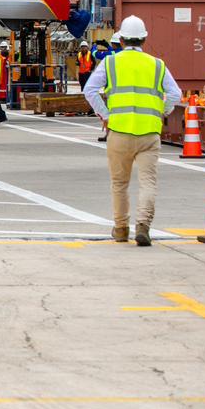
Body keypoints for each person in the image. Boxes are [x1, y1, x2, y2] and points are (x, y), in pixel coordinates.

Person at [82, 15, 182, 246]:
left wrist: (106, 116)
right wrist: (161, 112)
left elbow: (90, 90)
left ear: (122, 39)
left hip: (119, 132)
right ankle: (144, 225)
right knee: (148, 182)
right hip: (149, 133)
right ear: (144, 39)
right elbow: (175, 94)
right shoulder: (157, 64)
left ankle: (120, 228)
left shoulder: (110, 63)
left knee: (120, 183)